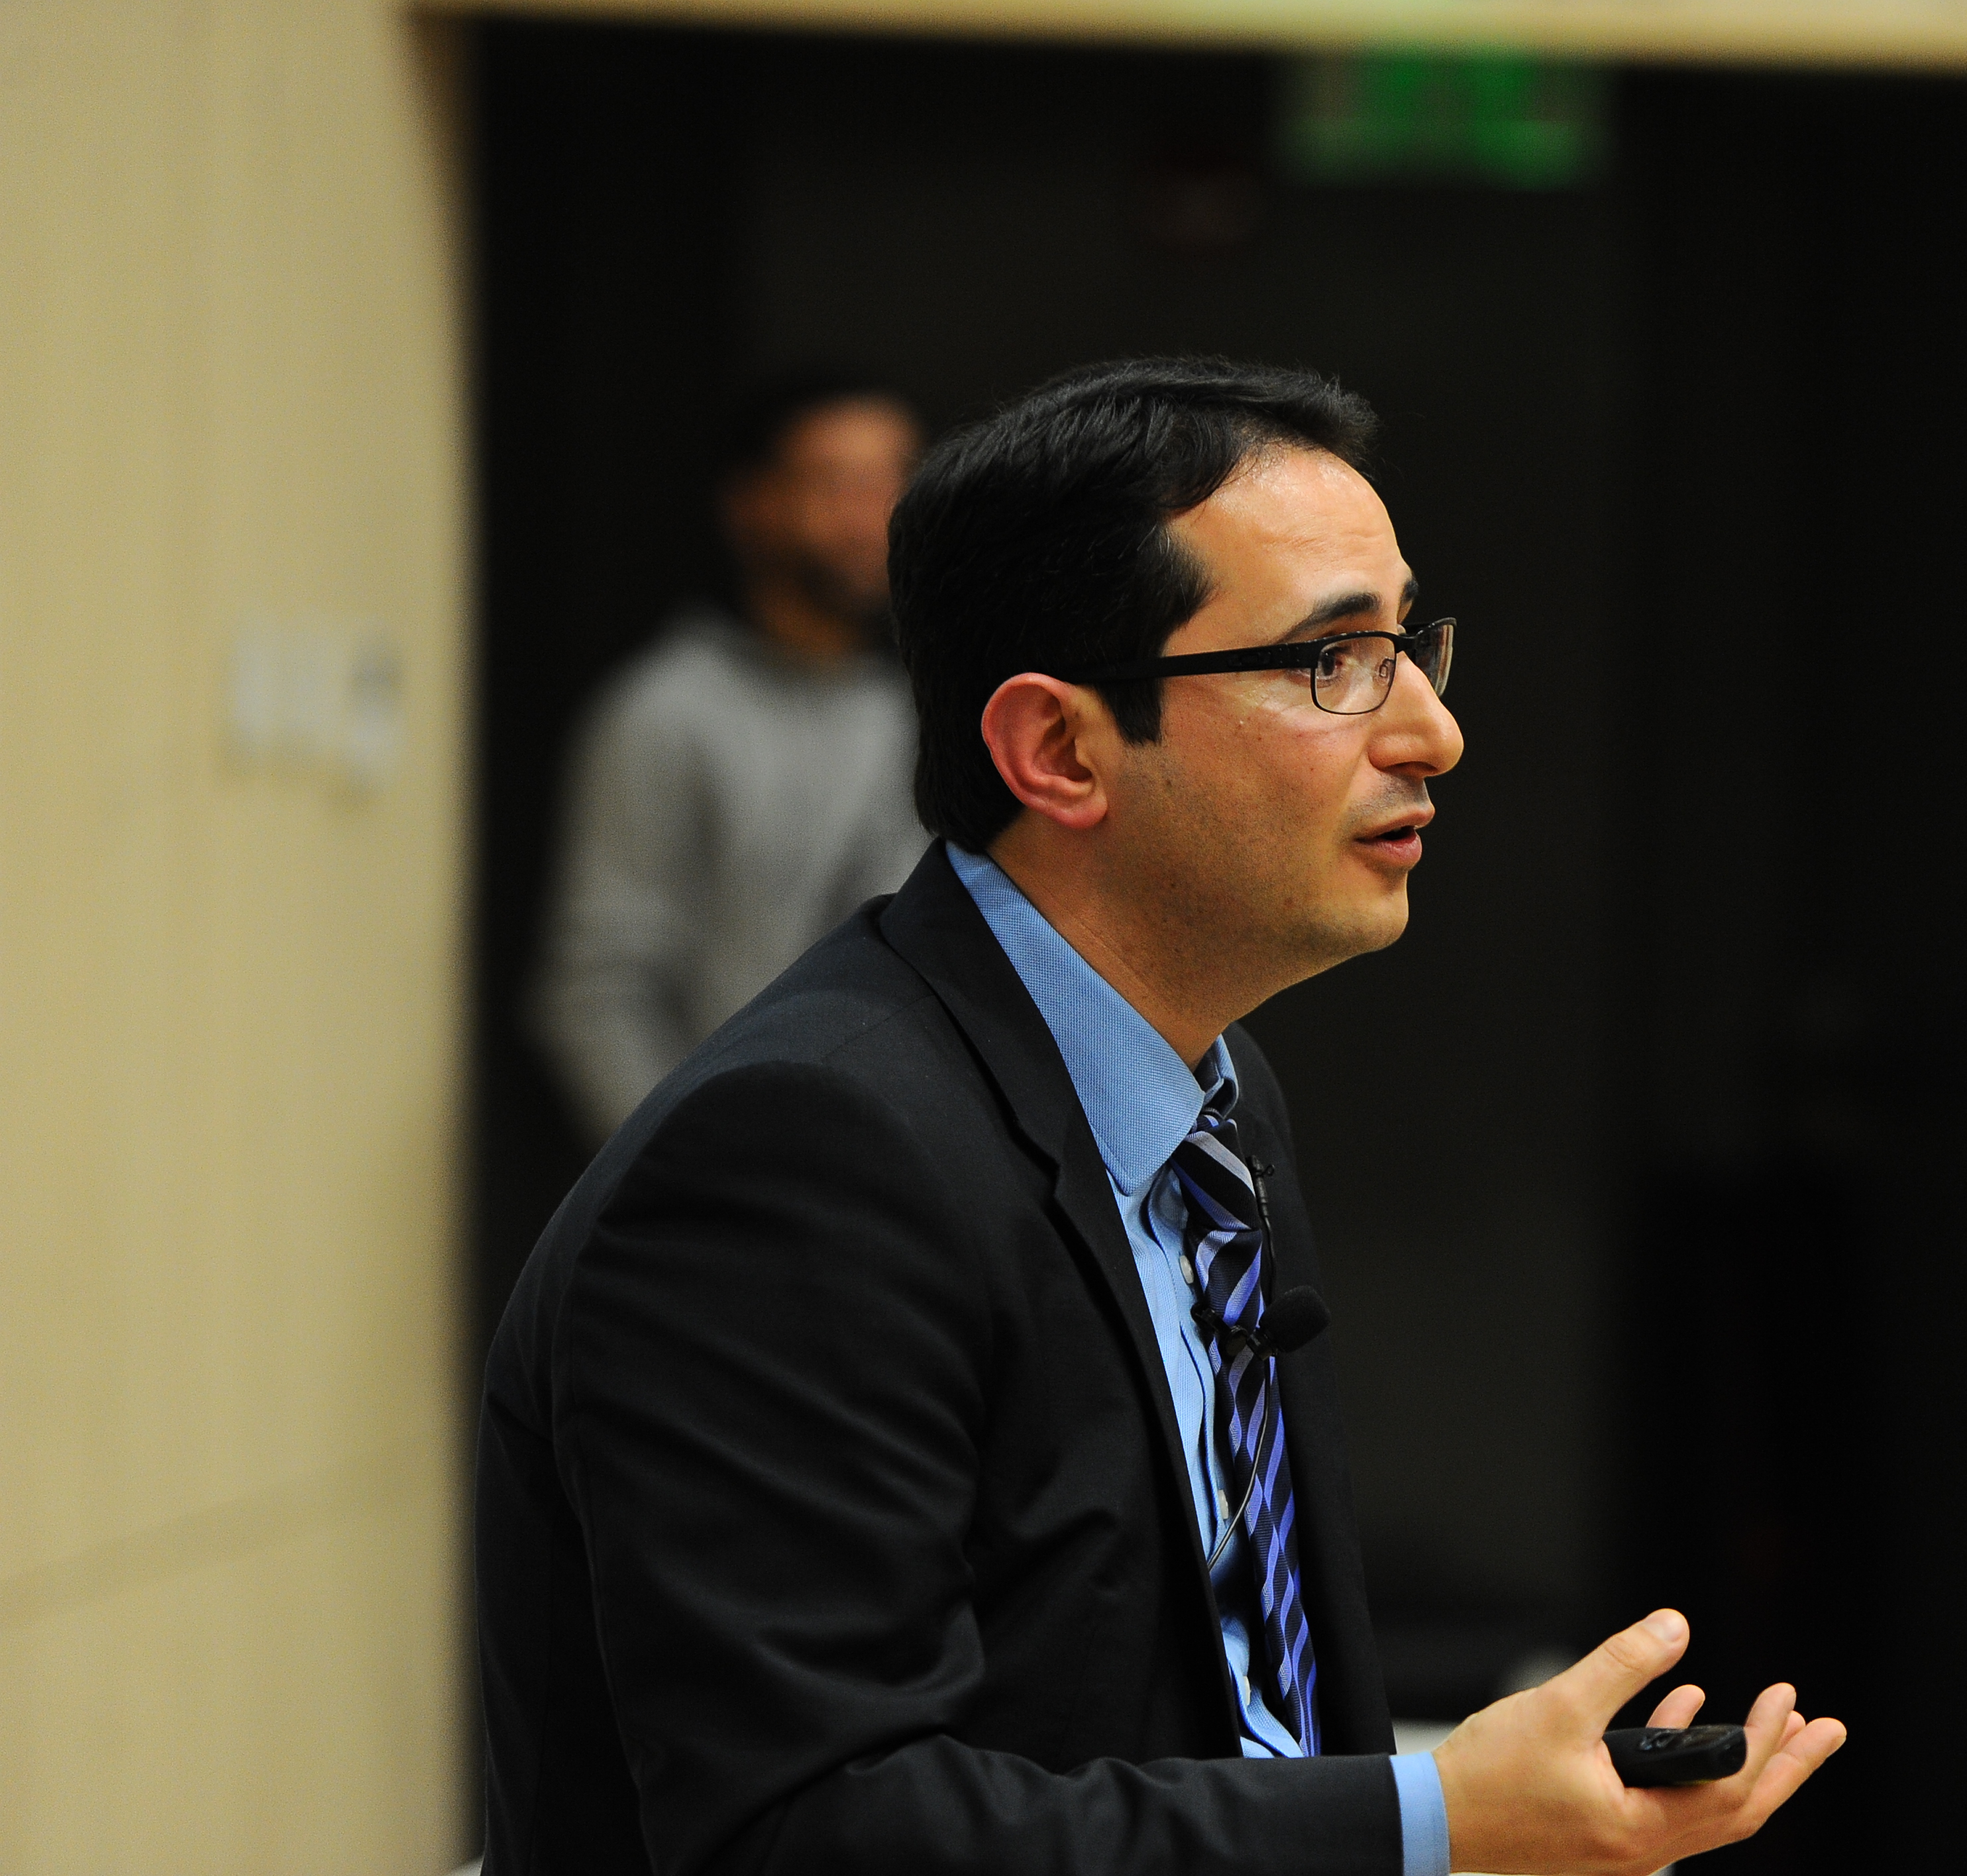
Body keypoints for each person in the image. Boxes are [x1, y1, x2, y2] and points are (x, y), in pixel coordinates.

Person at [476, 358, 1844, 1876]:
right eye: (1332, 660)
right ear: (1061, 750)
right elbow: (817, 1832)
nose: (1431, 729)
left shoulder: (1215, 1088)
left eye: (1411, 644)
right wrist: (1431, 1820)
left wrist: (1447, 1823)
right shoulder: (802, 1159)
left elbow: (1233, 1710)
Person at [529, 374, 933, 1141]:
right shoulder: (665, 713)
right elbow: (595, 990)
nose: (870, 517)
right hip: (732, 1158)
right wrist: (691, 1170)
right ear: (752, 504)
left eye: (892, 482)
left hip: (890, 1159)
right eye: (836, 483)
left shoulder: (918, 713)